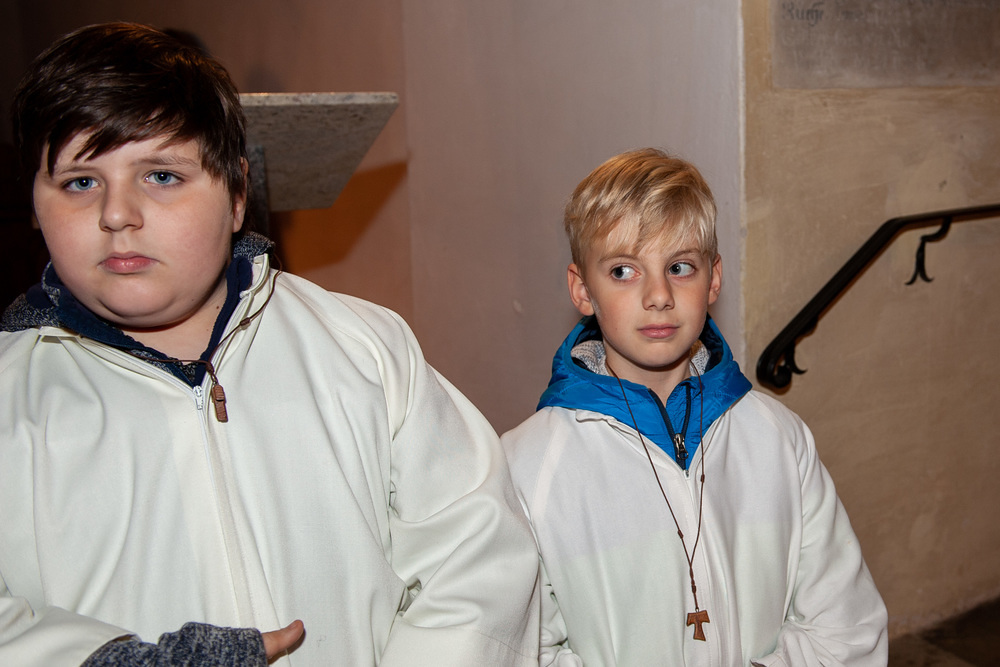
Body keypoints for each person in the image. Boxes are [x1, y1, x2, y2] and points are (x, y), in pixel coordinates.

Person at [0, 22, 539, 666]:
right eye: (80, 182)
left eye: (162, 175)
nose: (117, 214)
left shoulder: (365, 349)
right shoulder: (11, 396)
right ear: (35, 205)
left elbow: (479, 560)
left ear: (236, 195)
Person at [501, 149, 888, 665]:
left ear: (714, 279)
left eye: (680, 267)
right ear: (582, 289)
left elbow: (848, 630)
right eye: (623, 271)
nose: (659, 295)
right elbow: (520, 651)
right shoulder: (527, 467)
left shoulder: (778, 438)